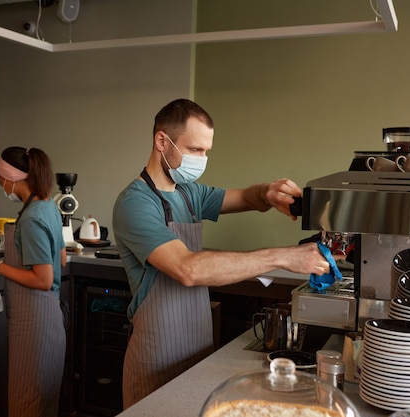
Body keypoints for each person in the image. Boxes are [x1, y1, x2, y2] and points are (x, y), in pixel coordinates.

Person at [112, 98, 332, 408]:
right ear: (162, 141)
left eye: (206, 152)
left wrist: (268, 193)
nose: (201, 159)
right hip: (156, 355)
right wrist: (282, 256)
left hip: (197, 348)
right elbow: (187, 268)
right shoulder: (136, 203)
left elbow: (246, 197)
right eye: (194, 150)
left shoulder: (189, 194)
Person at [0, 147, 67, 417]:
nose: (0, 184)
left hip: (34, 326)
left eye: (0, 178)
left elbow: (43, 278)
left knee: (26, 403)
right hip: (50, 320)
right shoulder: (48, 206)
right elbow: (60, 258)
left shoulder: (31, 218)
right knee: (43, 404)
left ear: (11, 178)